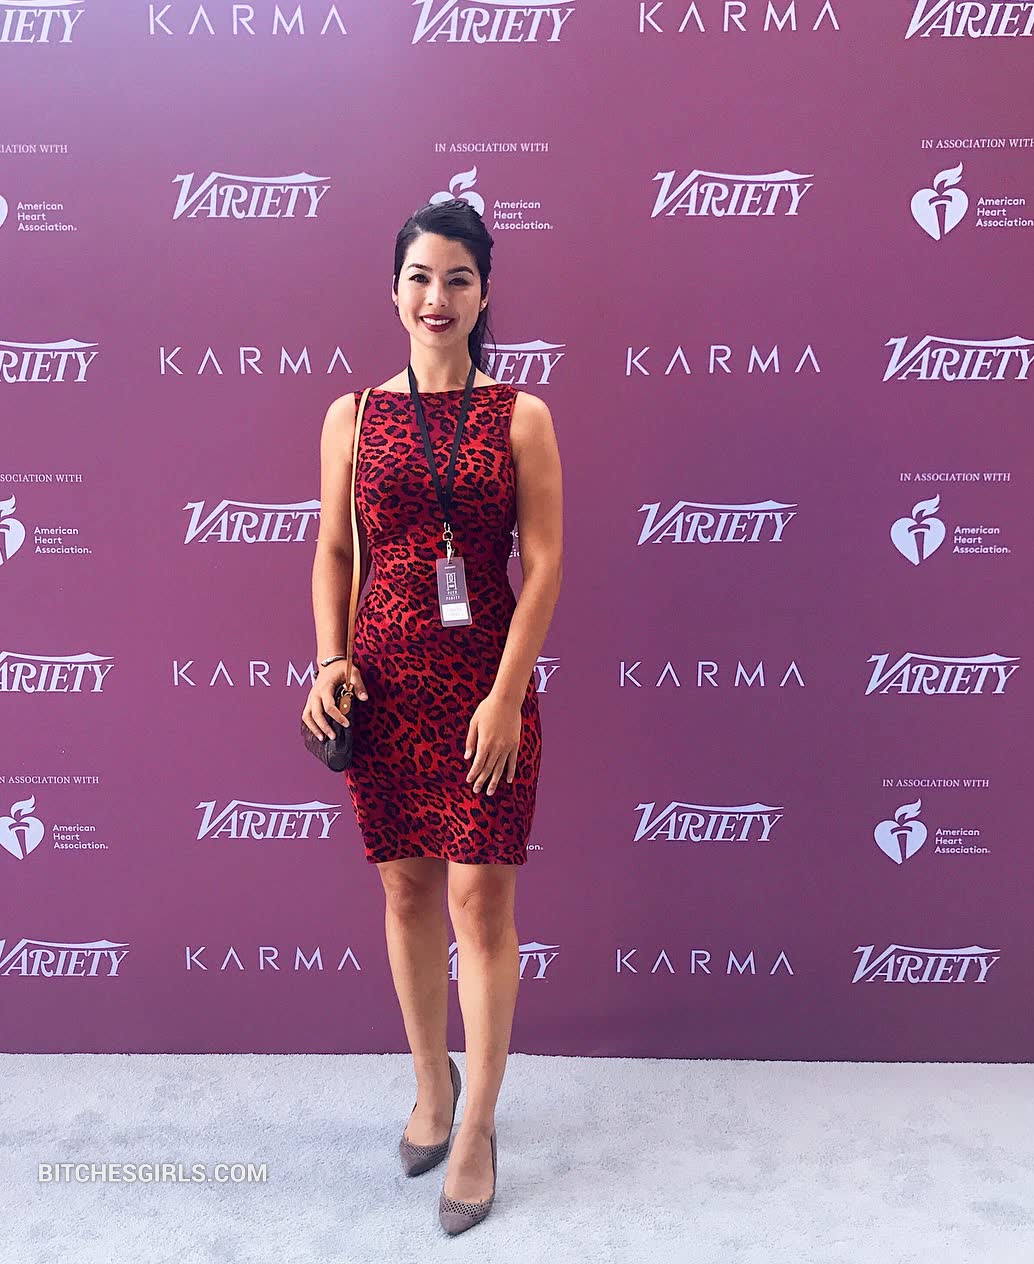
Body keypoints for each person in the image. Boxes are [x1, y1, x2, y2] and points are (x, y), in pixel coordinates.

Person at [301, 198, 563, 1233]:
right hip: (385, 687)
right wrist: (329, 659)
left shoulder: (522, 416)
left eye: (457, 278)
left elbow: (544, 565)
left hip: (485, 692)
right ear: (394, 290)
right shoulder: (353, 415)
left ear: (484, 293)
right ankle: (431, 1083)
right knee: (406, 890)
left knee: (480, 907)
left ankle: (479, 1127)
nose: (436, 296)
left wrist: (506, 696)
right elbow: (333, 550)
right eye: (420, 277)